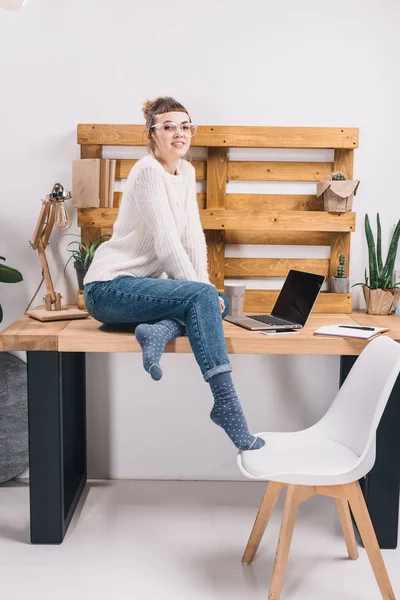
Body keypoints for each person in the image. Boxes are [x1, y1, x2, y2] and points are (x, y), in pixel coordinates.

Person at [83, 96, 264, 452]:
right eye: (168, 126)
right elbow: (167, 246)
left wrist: (207, 293)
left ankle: (158, 329)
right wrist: (201, 294)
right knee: (203, 297)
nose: (179, 133)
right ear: (152, 135)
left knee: (216, 299)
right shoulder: (147, 171)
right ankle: (227, 404)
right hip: (108, 288)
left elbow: (193, 238)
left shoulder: (186, 172)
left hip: (140, 289)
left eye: (184, 126)